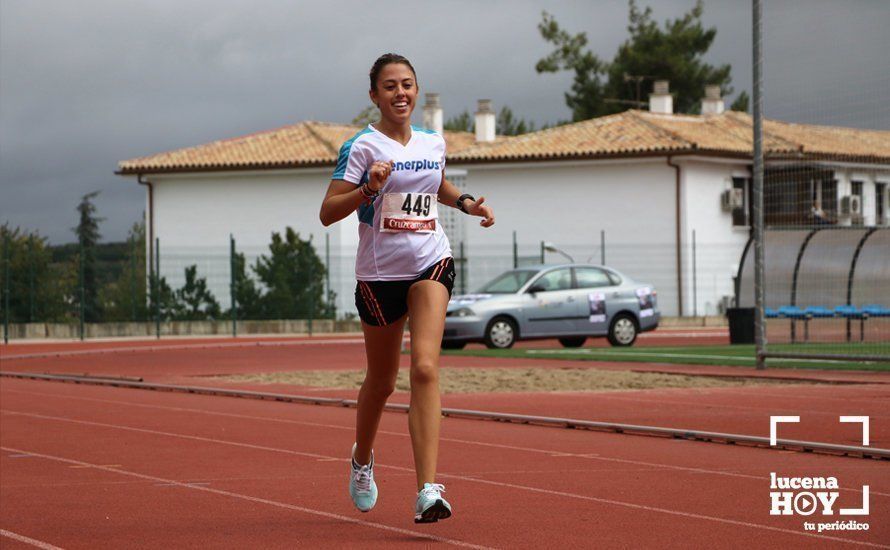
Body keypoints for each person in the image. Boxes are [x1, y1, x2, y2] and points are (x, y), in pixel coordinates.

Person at [319, 53, 495, 524]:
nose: (401, 93)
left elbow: (435, 183)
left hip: (430, 260)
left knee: (424, 368)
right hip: (379, 277)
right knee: (381, 382)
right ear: (374, 95)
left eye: (409, 85)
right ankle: (362, 459)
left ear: (417, 92)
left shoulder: (433, 141)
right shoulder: (360, 147)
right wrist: (368, 191)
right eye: (391, 86)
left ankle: (427, 489)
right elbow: (328, 211)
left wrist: (467, 202)